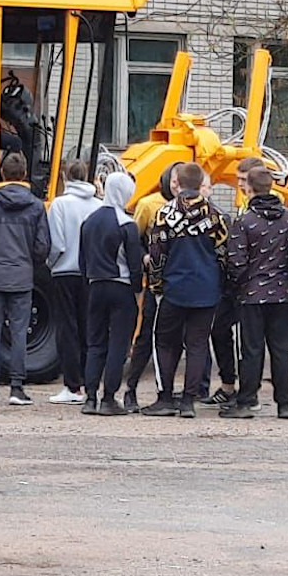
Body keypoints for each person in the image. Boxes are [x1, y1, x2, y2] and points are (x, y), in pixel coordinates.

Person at [142, 162, 229, 418]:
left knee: (165, 342)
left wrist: (156, 285)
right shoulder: (215, 215)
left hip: (174, 288)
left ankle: (165, 396)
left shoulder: (164, 214)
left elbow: (156, 254)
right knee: (198, 344)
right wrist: (220, 285)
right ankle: (189, 400)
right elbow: (223, 254)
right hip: (206, 290)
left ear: (176, 182)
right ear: (201, 183)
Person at [0, 152, 51, 406]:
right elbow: (42, 246)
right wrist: (29, 265)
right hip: (22, 278)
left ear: (2, 173)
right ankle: (17, 387)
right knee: (18, 333)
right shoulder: (36, 206)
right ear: (24, 174)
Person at [222, 166, 288, 420]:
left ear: (250, 188)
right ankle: (284, 404)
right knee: (280, 350)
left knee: (252, 350)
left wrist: (240, 286)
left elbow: (235, 261)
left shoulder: (245, 221)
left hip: (252, 295)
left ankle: (246, 401)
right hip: (282, 294)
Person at [78, 172, 145, 416]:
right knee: (118, 343)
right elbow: (134, 263)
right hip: (121, 286)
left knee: (94, 342)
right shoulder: (126, 223)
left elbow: (82, 259)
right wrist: (138, 289)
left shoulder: (89, 221)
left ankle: (90, 396)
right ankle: (109, 397)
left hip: (95, 286)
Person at [199, 156, 262, 406]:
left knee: (248, 340)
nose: (240, 185)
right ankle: (229, 385)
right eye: (238, 179)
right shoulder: (244, 205)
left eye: (244, 180)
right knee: (220, 330)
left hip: (248, 284)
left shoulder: (263, 207)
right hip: (234, 283)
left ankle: (247, 392)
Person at [121, 161, 181, 412]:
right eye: (174, 182)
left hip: (178, 285)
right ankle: (131, 389)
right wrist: (144, 257)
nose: (177, 187)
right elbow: (133, 240)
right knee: (146, 337)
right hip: (155, 284)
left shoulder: (191, 209)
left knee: (175, 341)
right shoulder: (148, 204)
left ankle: (167, 390)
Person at [45, 160, 102, 404]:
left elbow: (56, 243)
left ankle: (72, 385)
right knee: (90, 328)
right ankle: (91, 383)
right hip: (92, 273)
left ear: (66, 177)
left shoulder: (59, 205)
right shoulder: (99, 205)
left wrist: (51, 263)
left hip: (65, 272)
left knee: (67, 329)